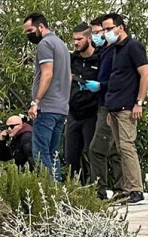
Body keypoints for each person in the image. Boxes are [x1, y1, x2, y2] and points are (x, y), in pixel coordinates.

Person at [102, 13, 148, 204]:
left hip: (127, 106)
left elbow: (145, 75)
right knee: (119, 149)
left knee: (127, 147)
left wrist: (139, 102)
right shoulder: (115, 50)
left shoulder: (133, 47)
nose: (106, 33)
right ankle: (125, 187)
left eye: (108, 29)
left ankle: (136, 189)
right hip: (114, 106)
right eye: (104, 30)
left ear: (120, 27)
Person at [23, 12, 71, 182]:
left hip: (47, 107)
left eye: (30, 30)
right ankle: (57, 190)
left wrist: (35, 102)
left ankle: (49, 191)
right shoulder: (61, 44)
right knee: (53, 153)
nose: (29, 35)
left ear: (41, 26)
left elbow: (47, 73)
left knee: (40, 152)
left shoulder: (45, 44)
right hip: (61, 107)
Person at [88, 16, 124, 200]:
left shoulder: (117, 51)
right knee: (113, 150)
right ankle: (120, 188)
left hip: (110, 105)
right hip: (103, 103)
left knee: (97, 149)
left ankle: (100, 191)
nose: (98, 35)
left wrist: (101, 86)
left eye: (100, 31)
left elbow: (120, 79)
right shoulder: (104, 51)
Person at [64, 22, 100, 183]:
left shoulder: (99, 58)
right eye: (74, 39)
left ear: (89, 38)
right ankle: (77, 188)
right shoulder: (72, 59)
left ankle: (97, 187)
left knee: (93, 153)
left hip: (92, 113)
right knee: (70, 155)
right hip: (73, 113)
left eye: (79, 39)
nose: (76, 43)